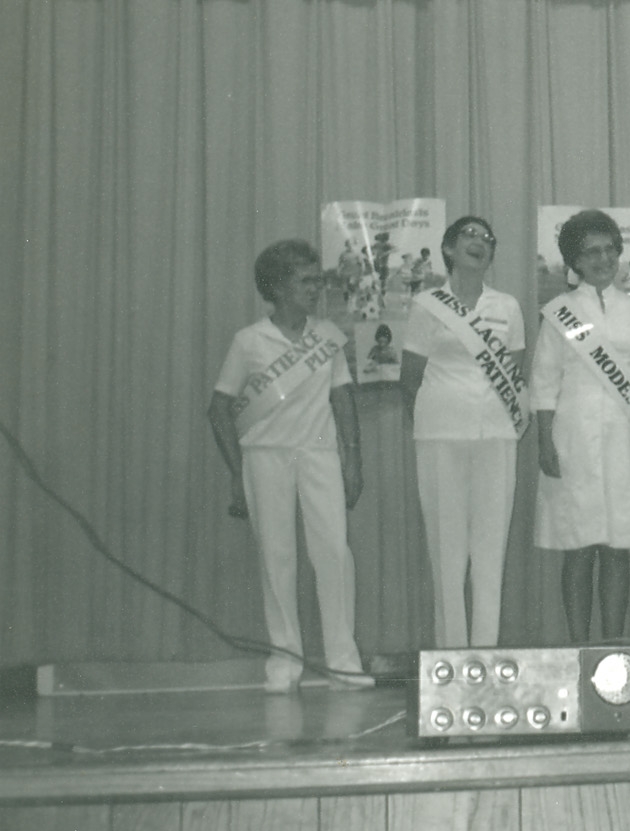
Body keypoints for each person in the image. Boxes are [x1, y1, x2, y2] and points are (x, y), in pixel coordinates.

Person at [207, 239, 372, 693]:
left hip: (319, 454)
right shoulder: (249, 341)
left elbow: (342, 397)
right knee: (276, 559)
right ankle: (284, 662)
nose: (316, 288)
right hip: (266, 457)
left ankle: (344, 661)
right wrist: (236, 472)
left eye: (317, 280)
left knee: (334, 554)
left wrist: (353, 460)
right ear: (278, 287)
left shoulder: (327, 337)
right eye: (306, 281)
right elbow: (219, 408)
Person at [530, 209, 630, 643]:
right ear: (574, 260)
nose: (603, 259)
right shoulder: (560, 313)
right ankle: (579, 648)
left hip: (625, 440)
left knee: (618, 548)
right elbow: (544, 382)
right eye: (591, 252)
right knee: (578, 547)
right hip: (572, 439)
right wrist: (544, 443)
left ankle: (613, 649)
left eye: (610, 249)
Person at [400, 216, 526, 648]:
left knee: (491, 550)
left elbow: (514, 376)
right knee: (447, 551)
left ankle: (486, 651)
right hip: (440, 436)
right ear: (449, 249)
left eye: (488, 238)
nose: (480, 242)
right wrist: (436, 417)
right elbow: (410, 379)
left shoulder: (507, 307)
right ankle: (451, 652)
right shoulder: (427, 304)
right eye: (469, 235)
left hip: (497, 436)